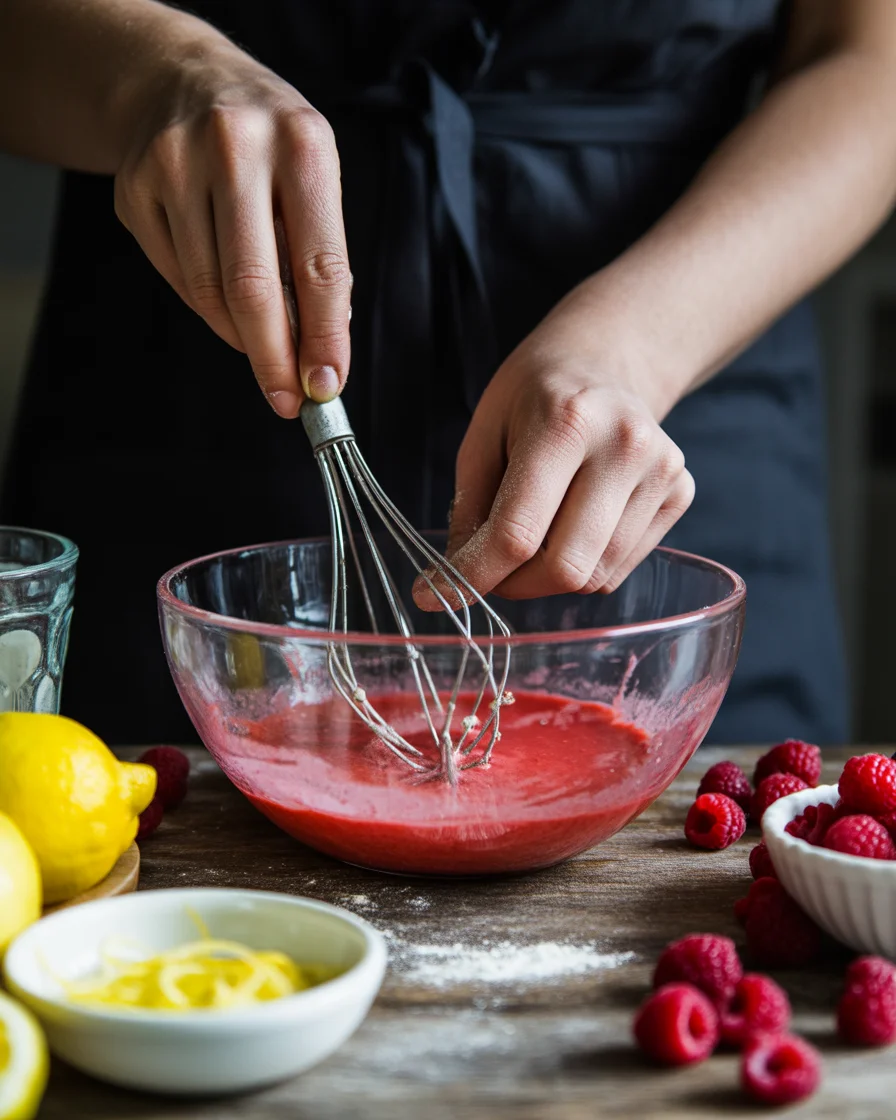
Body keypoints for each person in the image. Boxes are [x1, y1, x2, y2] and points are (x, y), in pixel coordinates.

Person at [1, 0, 892, 746]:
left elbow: (868, 62)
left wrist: (631, 349)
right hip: (184, 382)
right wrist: (148, 74)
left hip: (679, 364)